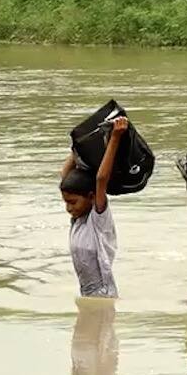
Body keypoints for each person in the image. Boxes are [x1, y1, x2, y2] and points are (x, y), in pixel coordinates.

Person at [60, 117, 127, 297]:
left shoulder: (98, 221)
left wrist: (115, 137)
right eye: (66, 202)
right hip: (87, 296)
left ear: (91, 197)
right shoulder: (78, 220)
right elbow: (64, 176)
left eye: (72, 202)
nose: (68, 208)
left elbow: (100, 179)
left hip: (103, 296)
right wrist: (77, 147)